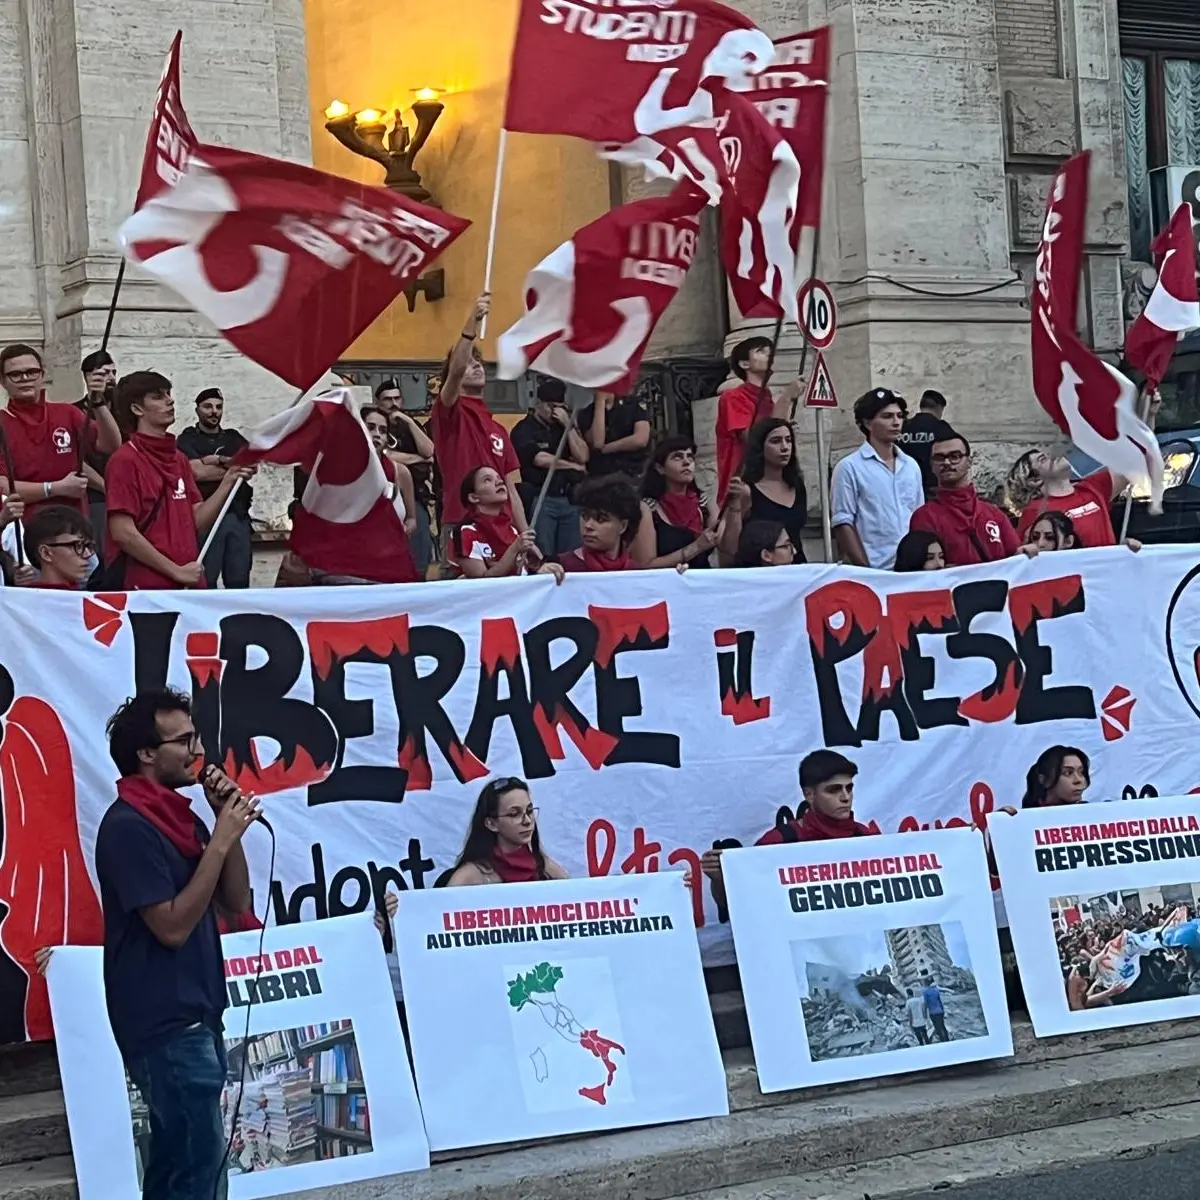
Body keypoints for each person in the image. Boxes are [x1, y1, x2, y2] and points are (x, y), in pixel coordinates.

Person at [94, 688, 260, 1200]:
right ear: (147, 753)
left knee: (178, 1167)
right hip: (164, 1022)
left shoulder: (182, 820)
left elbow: (235, 900)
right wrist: (218, 841)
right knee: (199, 1172)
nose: (197, 751)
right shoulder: (127, 828)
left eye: (196, 737)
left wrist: (222, 823)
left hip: (199, 1012)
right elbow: (170, 926)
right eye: (183, 740)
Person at [104, 372, 251, 590]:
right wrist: (175, 571)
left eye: (168, 394)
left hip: (188, 583)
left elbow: (197, 522)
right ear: (137, 409)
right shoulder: (125, 460)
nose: (170, 400)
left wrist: (229, 480)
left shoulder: (179, 458)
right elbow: (123, 532)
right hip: (148, 589)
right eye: (157, 396)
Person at [700, 751, 873, 906]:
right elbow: (742, 905)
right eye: (834, 790)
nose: (845, 797)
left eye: (849, 788)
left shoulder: (866, 836)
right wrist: (719, 880)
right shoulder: (777, 842)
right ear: (809, 795)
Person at [430, 292, 528, 541]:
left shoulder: (498, 429)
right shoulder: (450, 413)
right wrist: (471, 323)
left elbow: (511, 491)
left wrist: (525, 535)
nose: (476, 365)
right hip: (463, 524)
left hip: (503, 528)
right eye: (470, 362)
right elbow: (456, 370)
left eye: (479, 361)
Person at [0, 343, 120, 523]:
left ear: (42, 374)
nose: (25, 378)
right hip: (26, 529)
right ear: (2, 381)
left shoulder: (67, 413)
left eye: (32, 372)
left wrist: (97, 402)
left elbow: (111, 445)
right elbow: (2, 487)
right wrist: (54, 488)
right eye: (15, 374)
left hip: (75, 525)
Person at [909, 427, 1033, 566]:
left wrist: (1028, 553)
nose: (947, 463)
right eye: (939, 458)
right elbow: (922, 572)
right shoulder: (924, 518)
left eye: (955, 456)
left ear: (969, 461)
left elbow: (1015, 561)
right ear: (932, 465)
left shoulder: (995, 515)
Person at [831, 388, 923, 569]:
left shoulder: (910, 465)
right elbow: (843, 523)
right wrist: (865, 568)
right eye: (887, 416)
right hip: (875, 568)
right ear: (867, 422)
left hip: (911, 568)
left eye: (899, 416)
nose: (896, 422)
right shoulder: (850, 467)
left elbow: (918, 516)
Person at [176, 388, 254, 589]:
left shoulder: (233, 437)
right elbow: (197, 473)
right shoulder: (187, 438)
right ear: (197, 410)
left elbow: (252, 465)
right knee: (206, 579)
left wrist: (218, 459)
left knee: (239, 581)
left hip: (237, 515)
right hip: (206, 516)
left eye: (218, 407)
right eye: (208, 406)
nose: (214, 411)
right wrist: (232, 468)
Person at [714, 339, 801, 505]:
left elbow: (775, 435)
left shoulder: (767, 399)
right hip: (741, 489)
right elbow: (755, 439)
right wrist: (786, 398)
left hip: (768, 485)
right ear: (744, 363)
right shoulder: (733, 397)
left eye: (770, 351)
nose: (769, 355)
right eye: (761, 351)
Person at [510, 379, 588, 559]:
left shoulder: (563, 427)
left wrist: (568, 426)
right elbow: (539, 459)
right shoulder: (524, 429)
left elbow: (583, 455)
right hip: (542, 497)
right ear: (538, 404)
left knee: (571, 555)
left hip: (568, 498)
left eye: (561, 407)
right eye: (551, 406)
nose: (555, 412)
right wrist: (572, 466)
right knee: (543, 552)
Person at [447, 777, 568, 886]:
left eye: (530, 811)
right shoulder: (470, 876)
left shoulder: (546, 868)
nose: (527, 821)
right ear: (491, 824)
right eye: (514, 814)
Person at [453, 465, 564, 582]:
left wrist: (540, 571)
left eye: (498, 478)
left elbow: (520, 575)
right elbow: (481, 583)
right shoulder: (465, 532)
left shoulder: (512, 530)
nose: (499, 482)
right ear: (474, 497)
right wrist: (514, 549)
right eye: (487, 480)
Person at [721, 418, 809, 563]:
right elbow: (729, 548)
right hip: (761, 572)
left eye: (788, 440)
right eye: (775, 441)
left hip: (796, 568)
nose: (785, 447)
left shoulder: (797, 486)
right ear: (760, 447)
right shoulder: (746, 490)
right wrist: (735, 507)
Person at [375, 379, 436, 577]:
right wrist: (416, 458)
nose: (393, 403)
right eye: (387, 399)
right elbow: (382, 454)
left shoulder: (409, 424)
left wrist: (409, 422)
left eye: (397, 398)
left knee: (419, 543)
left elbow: (429, 451)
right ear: (378, 401)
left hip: (415, 495)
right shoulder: (374, 423)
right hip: (381, 495)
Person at [632, 435, 720, 569]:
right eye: (677, 457)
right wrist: (695, 548)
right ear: (660, 468)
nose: (687, 462)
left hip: (702, 584)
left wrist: (734, 509)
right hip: (665, 585)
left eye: (690, 456)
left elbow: (728, 551)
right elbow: (644, 565)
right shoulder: (647, 509)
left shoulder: (704, 505)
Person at [1016, 449, 1127, 549]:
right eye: (1043, 460)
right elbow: (1026, 554)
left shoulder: (1091, 487)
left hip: (1108, 568)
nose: (1054, 456)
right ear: (1035, 480)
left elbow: (1131, 466)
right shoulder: (1035, 509)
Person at [75, 350, 119, 555]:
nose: (111, 378)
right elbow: (75, 461)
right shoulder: (74, 412)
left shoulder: (126, 411)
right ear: (88, 377)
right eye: (104, 373)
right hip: (95, 498)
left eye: (113, 373)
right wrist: (106, 488)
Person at [559, 475, 644, 573]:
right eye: (585, 516)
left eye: (601, 519)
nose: (588, 525)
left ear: (623, 526)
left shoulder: (637, 574)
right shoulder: (562, 568)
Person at [579, 390, 652, 483]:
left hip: (632, 470)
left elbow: (640, 440)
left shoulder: (633, 405)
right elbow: (597, 443)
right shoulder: (586, 413)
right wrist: (600, 403)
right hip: (600, 474)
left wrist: (607, 448)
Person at [22, 505, 96, 589]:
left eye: (88, 546)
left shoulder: (90, 599)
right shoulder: (22, 600)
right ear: (45, 553)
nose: (88, 554)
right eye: (78, 546)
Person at [898, 389, 947, 495]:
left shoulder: (903, 427)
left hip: (905, 485)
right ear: (939, 408)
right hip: (932, 486)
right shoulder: (942, 428)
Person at [1021, 746, 1090, 808]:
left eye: (1081, 772)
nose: (1078, 780)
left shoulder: (1088, 813)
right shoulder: (1025, 817)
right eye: (1068, 773)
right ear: (1044, 780)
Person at [920, 976, 949, 1042]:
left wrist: (924, 1013)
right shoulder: (936, 990)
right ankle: (947, 1039)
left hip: (933, 1013)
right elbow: (940, 1001)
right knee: (943, 1026)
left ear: (926, 983)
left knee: (938, 1028)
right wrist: (943, 1010)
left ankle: (943, 1041)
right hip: (940, 1011)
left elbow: (926, 1003)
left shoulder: (926, 992)